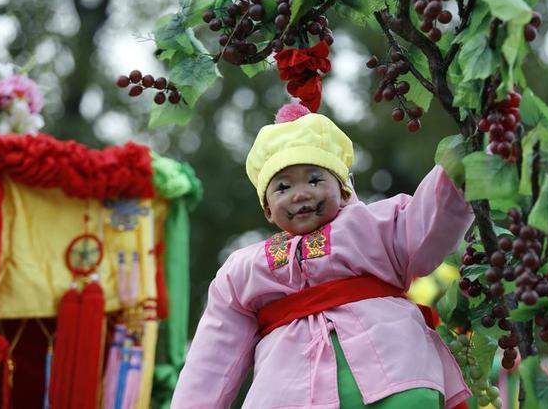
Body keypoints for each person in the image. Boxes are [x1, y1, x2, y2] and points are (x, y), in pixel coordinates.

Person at [171, 103, 475, 408]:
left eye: (315, 179)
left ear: (344, 191)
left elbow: (431, 221)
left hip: (395, 376)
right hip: (287, 397)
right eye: (283, 187)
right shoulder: (243, 270)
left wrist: (461, 159)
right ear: (267, 209)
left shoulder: (378, 224)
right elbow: (213, 356)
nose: (300, 193)